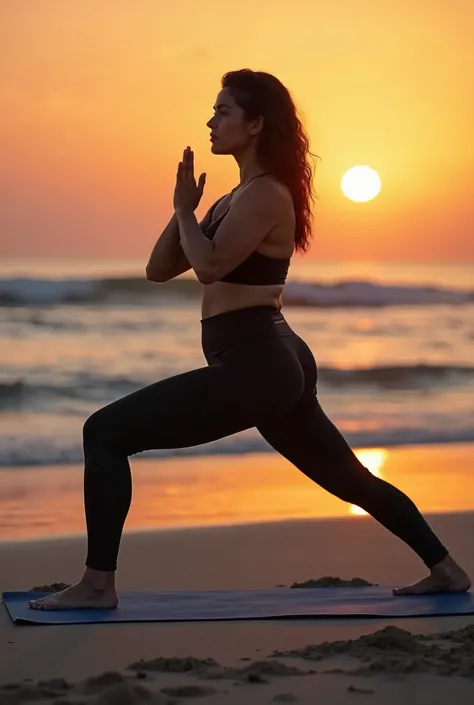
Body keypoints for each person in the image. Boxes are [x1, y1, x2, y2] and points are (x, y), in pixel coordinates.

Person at [29, 69, 470, 611]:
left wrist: (189, 215)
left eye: (223, 112)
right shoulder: (233, 197)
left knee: (104, 432)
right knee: (347, 477)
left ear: (256, 124)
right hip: (269, 359)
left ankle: (98, 584)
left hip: (258, 361)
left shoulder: (265, 196)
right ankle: (446, 570)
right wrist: (182, 212)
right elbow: (158, 269)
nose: (211, 122)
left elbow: (210, 266)